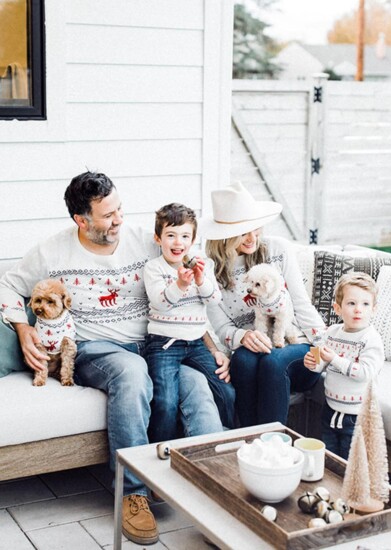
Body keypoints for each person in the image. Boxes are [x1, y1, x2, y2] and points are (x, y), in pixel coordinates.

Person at [0, 172, 229, 546]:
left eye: (119, 208)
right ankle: (133, 492)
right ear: (81, 220)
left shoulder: (145, 240)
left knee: (197, 386)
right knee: (132, 372)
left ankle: (219, 486)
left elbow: (193, 284)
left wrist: (216, 345)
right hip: (94, 348)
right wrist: (24, 330)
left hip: (154, 346)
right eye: (108, 215)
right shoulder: (52, 251)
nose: (119, 219)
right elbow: (8, 285)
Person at [200, 181, 325, 428]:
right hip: (252, 349)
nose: (253, 236)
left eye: (255, 227)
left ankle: (272, 446)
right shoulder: (210, 272)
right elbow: (222, 328)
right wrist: (243, 336)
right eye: (243, 231)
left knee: (273, 360)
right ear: (224, 235)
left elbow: (301, 304)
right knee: (243, 362)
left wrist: (323, 349)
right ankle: (247, 443)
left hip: (296, 346)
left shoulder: (278, 249)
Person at [144, 203, 236, 442]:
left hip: (196, 343)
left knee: (225, 390)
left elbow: (214, 298)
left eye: (185, 236)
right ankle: (160, 450)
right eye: (170, 235)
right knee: (165, 401)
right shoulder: (154, 269)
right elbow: (161, 301)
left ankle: (224, 439)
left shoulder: (204, 265)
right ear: (158, 238)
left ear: (193, 239)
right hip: (163, 344)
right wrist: (181, 285)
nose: (178, 243)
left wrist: (200, 279)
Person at [303, 272, 384, 459]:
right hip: (330, 408)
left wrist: (334, 359)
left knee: (350, 464)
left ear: (374, 309)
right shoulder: (332, 332)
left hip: (357, 415)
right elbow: (322, 363)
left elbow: (365, 373)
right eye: (351, 303)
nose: (358, 309)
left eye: (365, 304)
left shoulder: (370, 339)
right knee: (330, 459)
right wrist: (313, 364)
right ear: (337, 308)